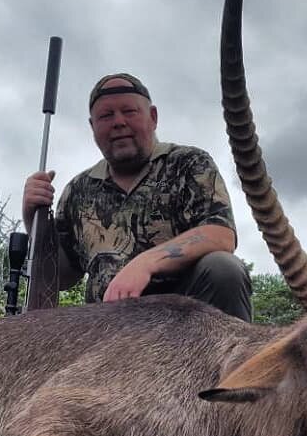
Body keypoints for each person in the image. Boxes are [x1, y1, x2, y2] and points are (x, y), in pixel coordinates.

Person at [22, 72, 252, 321]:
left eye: (129, 111)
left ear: (153, 117)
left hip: (184, 319)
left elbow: (220, 235)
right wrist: (32, 219)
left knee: (224, 269)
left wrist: (146, 263)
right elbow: (61, 278)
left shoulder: (188, 164)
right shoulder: (77, 191)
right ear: (93, 126)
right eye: (106, 115)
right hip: (105, 327)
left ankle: (233, 358)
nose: (118, 122)